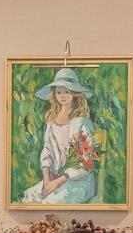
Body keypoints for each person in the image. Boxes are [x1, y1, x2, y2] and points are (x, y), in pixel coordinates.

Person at [18, 66, 102, 205]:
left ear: (75, 93)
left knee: (49, 202)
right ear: (54, 94)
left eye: (67, 92)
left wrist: (58, 181)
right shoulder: (51, 120)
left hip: (77, 182)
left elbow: (86, 164)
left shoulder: (82, 122)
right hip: (54, 179)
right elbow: (47, 150)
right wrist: (46, 178)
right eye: (59, 92)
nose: (62, 96)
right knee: (27, 197)